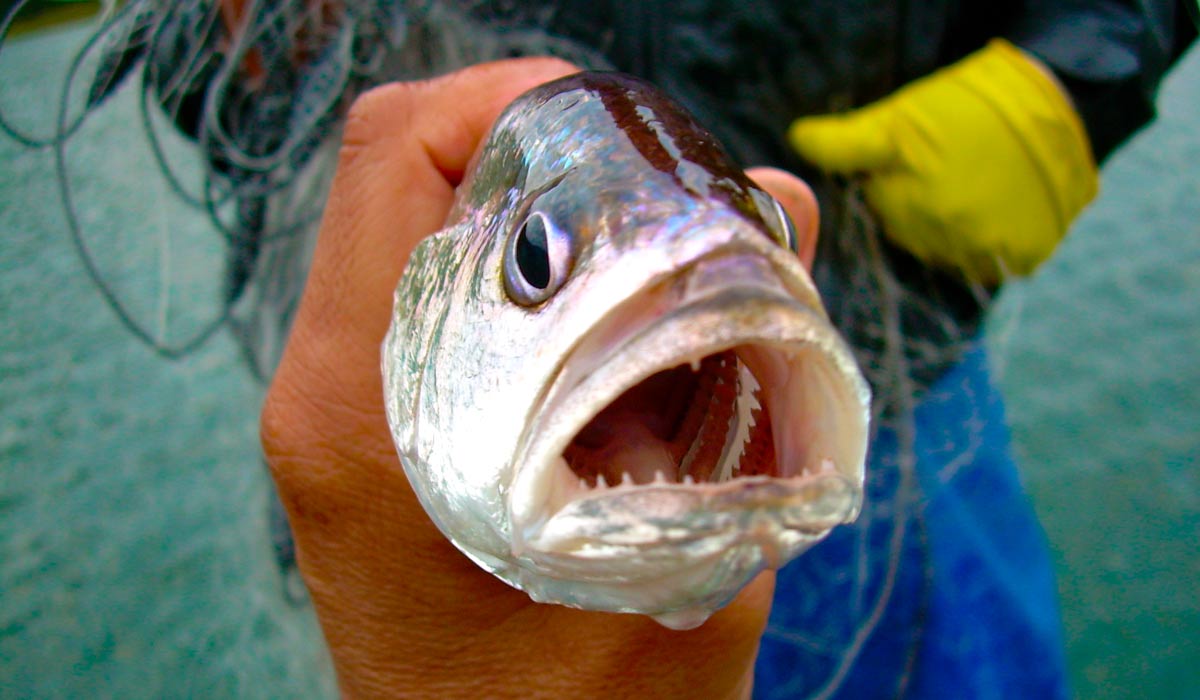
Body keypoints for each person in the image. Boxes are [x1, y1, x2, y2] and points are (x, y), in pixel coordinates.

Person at [63, 0, 1198, 697]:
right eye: (542, 259)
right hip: (478, 454)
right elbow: (207, 75)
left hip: (884, 390)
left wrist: (1077, 72)